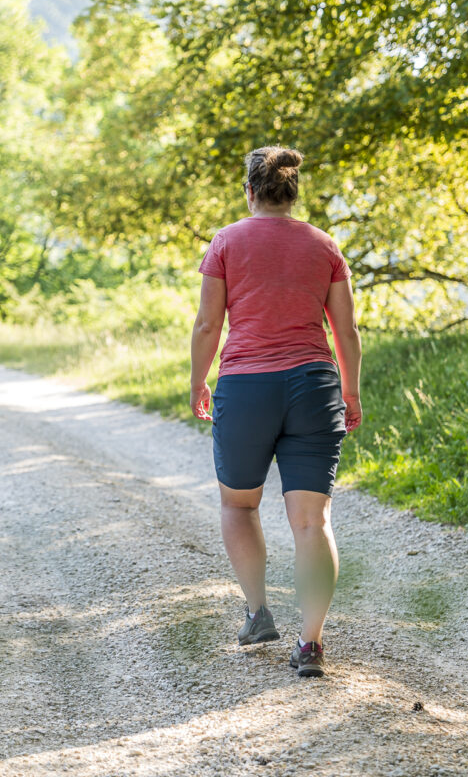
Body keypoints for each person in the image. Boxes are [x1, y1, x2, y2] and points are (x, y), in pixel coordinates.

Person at [189, 145, 362, 678]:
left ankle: (258, 612)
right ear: (293, 192)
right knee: (313, 521)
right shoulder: (324, 245)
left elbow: (207, 326)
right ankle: (310, 645)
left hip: (246, 387)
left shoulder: (226, 242)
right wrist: (351, 392)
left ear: (249, 191)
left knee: (240, 506)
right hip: (313, 386)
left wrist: (198, 380)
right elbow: (346, 332)